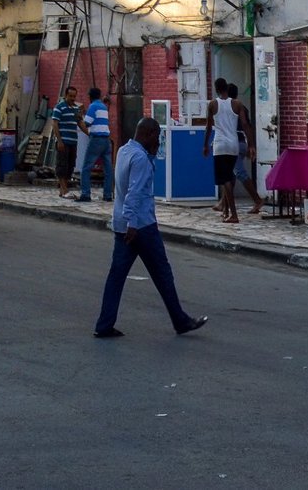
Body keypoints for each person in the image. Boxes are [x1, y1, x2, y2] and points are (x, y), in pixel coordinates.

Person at [94, 117, 208, 339]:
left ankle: (104, 324)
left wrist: (152, 155)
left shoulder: (125, 151)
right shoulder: (140, 159)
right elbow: (135, 192)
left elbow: (128, 186)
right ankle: (180, 321)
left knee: (116, 275)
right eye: (157, 136)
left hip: (122, 223)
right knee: (162, 273)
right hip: (141, 225)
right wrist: (133, 222)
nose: (158, 141)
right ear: (149, 134)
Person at [203, 80, 251, 223]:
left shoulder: (212, 104)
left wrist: (205, 145)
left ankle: (233, 214)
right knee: (230, 176)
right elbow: (245, 124)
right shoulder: (237, 104)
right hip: (234, 144)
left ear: (216, 89)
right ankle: (225, 211)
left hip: (220, 145)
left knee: (225, 180)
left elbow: (208, 127)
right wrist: (251, 144)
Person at [227, 82, 264, 215]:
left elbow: (244, 124)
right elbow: (247, 125)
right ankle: (223, 203)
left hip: (235, 143)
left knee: (239, 172)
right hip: (241, 141)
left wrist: (251, 145)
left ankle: (257, 200)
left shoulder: (231, 107)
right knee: (230, 173)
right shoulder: (242, 107)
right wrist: (250, 144)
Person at [77, 87, 113, 203]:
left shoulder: (93, 106)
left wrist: (79, 118)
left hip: (96, 139)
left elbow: (87, 123)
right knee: (108, 170)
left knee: (86, 168)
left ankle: (85, 194)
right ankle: (108, 195)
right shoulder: (103, 107)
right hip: (106, 140)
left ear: (90, 96)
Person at [49, 85, 82, 199]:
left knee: (70, 165)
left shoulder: (76, 109)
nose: (72, 98)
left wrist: (89, 133)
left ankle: (62, 190)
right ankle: (65, 190)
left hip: (73, 141)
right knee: (62, 165)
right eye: (70, 96)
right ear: (66, 95)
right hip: (64, 141)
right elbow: (55, 124)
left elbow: (80, 123)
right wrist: (59, 141)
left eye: (74, 96)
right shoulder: (59, 107)